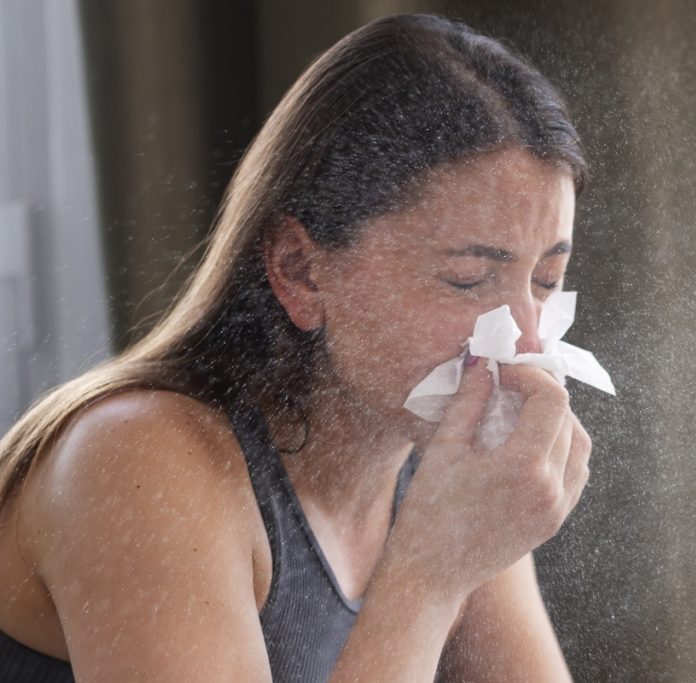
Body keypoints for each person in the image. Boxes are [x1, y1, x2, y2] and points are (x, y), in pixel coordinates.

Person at [0, 12, 594, 682]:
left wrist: (448, 551)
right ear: (301, 271)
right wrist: (429, 573)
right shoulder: (136, 459)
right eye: (468, 278)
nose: (524, 338)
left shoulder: (443, 474)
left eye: (546, 280)